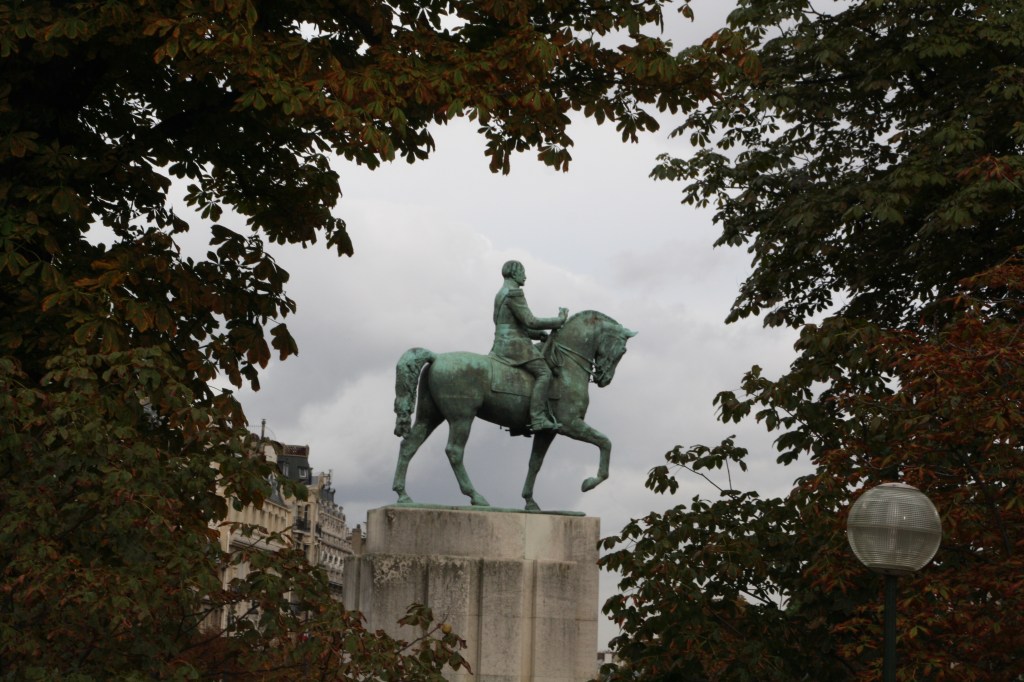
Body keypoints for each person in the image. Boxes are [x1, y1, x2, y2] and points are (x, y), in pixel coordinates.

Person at [489, 260, 568, 432]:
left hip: (501, 344)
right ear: (514, 273)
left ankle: (519, 421)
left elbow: (509, 324)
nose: (525, 276)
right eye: (522, 272)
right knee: (545, 373)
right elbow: (530, 321)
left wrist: (537, 335)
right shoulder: (514, 293)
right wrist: (559, 320)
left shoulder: (500, 294)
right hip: (515, 347)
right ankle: (538, 418)